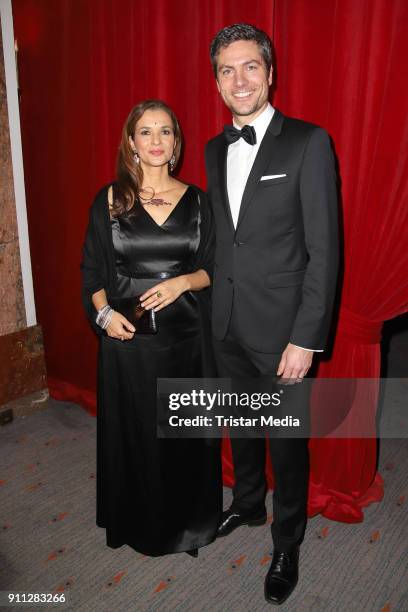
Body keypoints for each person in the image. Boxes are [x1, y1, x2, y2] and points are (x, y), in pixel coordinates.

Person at [205, 24, 338, 604]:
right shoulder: (213, 149)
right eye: (227, 70)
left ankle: (287, 540)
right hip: (226, 322)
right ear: (216, 81)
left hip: (284, 329)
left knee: (287, 441)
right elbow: (221, 241)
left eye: (250, 67)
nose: (240, 80)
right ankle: (249, 504)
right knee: (243, 426)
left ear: (270, 73)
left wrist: (306, 338)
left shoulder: (309, 142)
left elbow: (325, 250)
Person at [81, 99, 221, 557]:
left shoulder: (199, 199)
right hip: (129, 339)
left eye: (165, 132)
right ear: (131, 143)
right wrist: (104, 317)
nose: (156, 140)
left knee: (181, 431)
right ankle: (136, 521)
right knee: (137, 432)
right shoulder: (109, 198)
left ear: (176, 143)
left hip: (186, 338)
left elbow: (211, 270)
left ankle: (187, 526)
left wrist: (182, 281)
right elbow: (92, 273)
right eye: (146, 132)